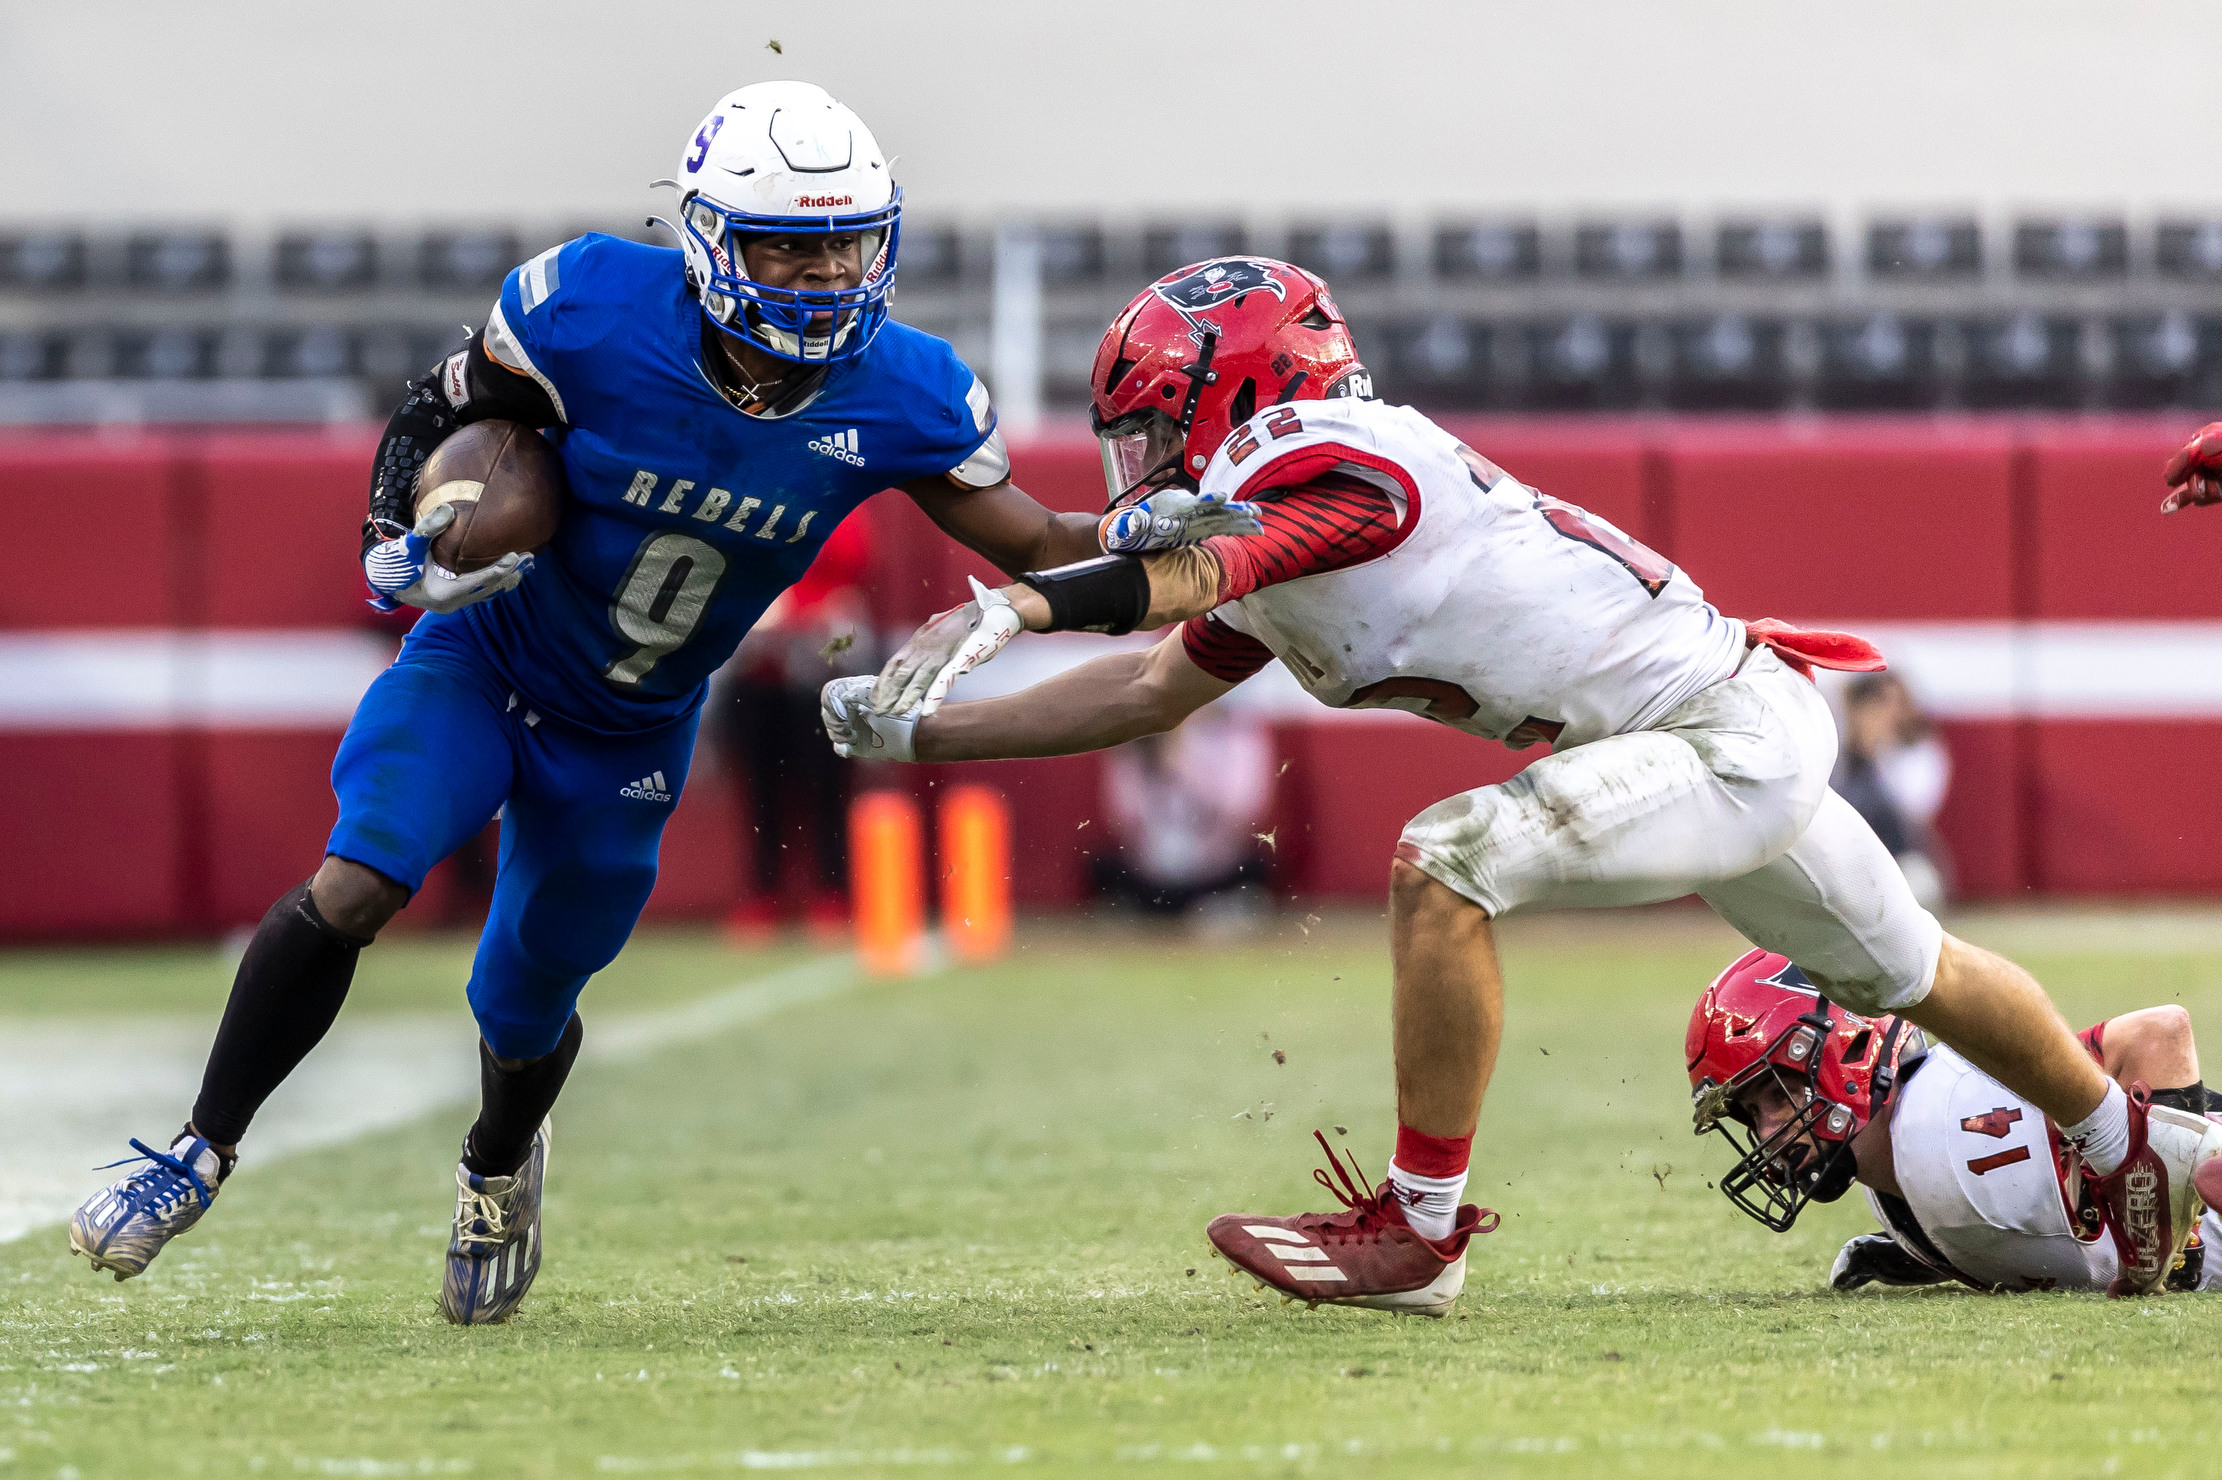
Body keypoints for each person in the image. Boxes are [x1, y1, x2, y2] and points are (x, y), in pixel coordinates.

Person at [824, 254, 2222, 1316]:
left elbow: (1191, 573)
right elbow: (1148, 688)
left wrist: (1015, 612)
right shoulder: (1300, 521)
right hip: (1710, 727)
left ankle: (1420, 1230)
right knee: (1906, 969)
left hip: (1711, 734)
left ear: (1239, 399)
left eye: (1154, 422)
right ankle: (2121, 1143)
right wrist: (924, 738)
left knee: (1445, 859)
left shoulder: (1339, 473)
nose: (1139, 459)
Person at [66, 82, 1254, 1324]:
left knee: (525, 1003)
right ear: (705, 240)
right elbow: (445, 404)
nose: (825, 275)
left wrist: (1168, 537)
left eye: (848, 242)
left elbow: (1041, 539)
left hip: (632, 725)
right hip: (485, 660)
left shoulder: (902, 392)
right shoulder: (589, 307)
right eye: (790, 246)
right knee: (361, 874)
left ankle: (494, 1162)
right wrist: (390, 534)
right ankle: (196, 1152)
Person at [1689, 947, 2222, 1294]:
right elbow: (2030, 1201)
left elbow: (2159, 1034)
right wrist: (1935, 1253)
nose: (1765, 1133)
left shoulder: (1948, 1110)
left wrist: (2177, 1241)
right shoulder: (1893, 1179)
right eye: (1750, 1114)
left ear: (1842, 1049)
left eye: (1775, 1095)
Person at [714, 508, 875, 940]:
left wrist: (807, 619)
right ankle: (761, 895)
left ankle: (832, 893)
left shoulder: (844, 496)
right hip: (757, 664)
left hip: (820, 661)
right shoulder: (747, 491)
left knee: (827, 786)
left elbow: (852, 564)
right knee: (761, 789)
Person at [1093, 706, 1273, 921]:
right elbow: (1124, 817)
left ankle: (1220, 903)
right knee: (1101, 864)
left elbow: (1242, 811)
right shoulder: (1138, 739)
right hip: (1151, 860)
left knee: (1258, 862)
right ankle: (1142, 905)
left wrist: (1181, 769)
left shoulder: (1238, 733)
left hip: (1216, 857)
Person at [1831, 672, 1950, 909]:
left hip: (1899, 863)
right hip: (1845, 865)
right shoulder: (1837, 752)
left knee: (1918, 884)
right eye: (1879, 704)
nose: (1888, 714)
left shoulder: (1914, 752)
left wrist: (1875, 755)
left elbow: (1914, 813)